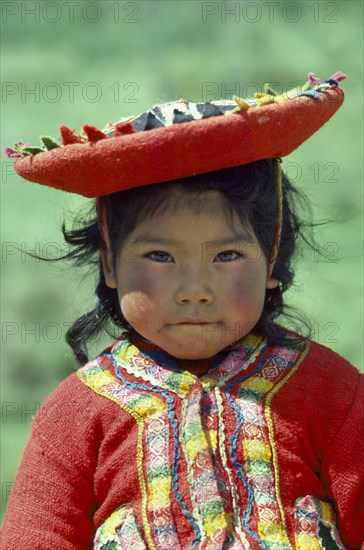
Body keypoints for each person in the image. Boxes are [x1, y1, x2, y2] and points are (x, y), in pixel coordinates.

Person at [1, 72, 363, 549]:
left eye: (227, 256)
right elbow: (36, 536)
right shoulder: (74, 413)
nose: (195, 290)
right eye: (160, 257)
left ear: (272, 258)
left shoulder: (330, 390)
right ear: (110, 263)